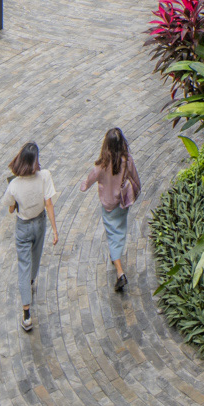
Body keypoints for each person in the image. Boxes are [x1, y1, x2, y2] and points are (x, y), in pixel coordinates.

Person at [80, 126, 141, 293]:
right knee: (119, 230)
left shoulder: (102, 165)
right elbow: (135, 177)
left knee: (112, 234)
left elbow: (90, 179)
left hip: (108, 205)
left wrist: (84, 186)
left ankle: (120, 271)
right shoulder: (127, 160)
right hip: (122, 202)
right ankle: (116, 255)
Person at [3, 140, 57, 333]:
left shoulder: (14, 186)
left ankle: (26, 315)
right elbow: (49, 204)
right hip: (40, 223)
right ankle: (31, 283)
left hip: (23, 226)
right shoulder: (44, 176)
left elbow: (10, 209)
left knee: (23, 266)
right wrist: (55, 230)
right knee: (35, 257)